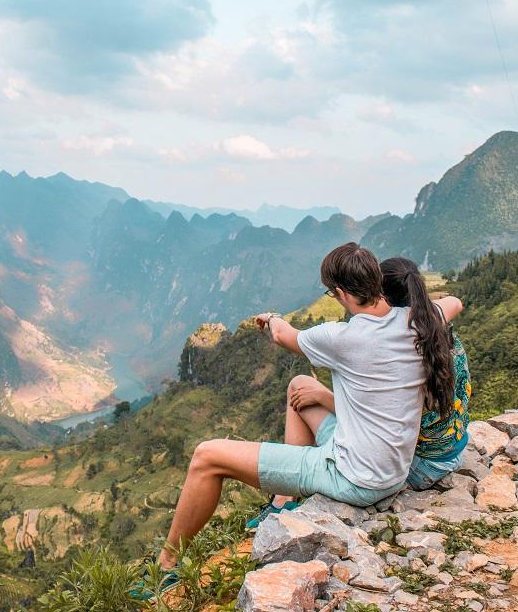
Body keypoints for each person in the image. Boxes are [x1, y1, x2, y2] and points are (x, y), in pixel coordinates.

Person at [155, 242, 450, 572]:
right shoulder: (420, 321)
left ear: (340, 293)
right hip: (391, 470)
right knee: (299, 386)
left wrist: (271, 317)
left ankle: (164, 567)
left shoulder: (342, 337)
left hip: (353, 476)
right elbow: (454, 302)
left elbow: (282, 335)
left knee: (206, 456)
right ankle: (284, 503)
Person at [380, 257, 471, 490]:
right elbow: (456, 302)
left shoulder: (399, 346)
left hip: (423, 467)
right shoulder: (435, 326)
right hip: (454, 449)